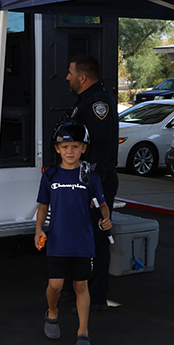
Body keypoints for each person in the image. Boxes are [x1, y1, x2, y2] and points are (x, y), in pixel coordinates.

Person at [34, 122, 111, 345]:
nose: (70, 151)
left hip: (83, 242)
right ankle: (53, 311)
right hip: (58, 240)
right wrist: (39, 230)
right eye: (65, 146)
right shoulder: (50, 175)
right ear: (57, 149)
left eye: (75, 146)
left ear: (83, 149)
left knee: (81, 285)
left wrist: (106, 218)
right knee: (55, 286)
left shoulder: (91, 177)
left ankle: (83, 332)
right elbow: (43, 205)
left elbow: (103, 205)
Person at [65, 54, 119, 312]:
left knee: (97, 238)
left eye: (70, 73)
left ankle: (96, 297)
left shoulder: (99, 104)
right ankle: (78, 289)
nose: (67, 77)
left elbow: (99, 149)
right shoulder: (85, 103)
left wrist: (87, 185)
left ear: (82, 77)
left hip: (97, 182)